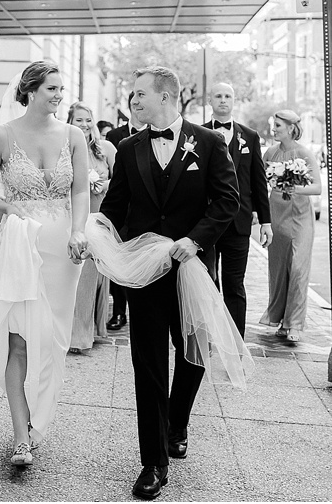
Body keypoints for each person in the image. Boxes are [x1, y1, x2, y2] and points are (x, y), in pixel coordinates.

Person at [98, 65, 239, 499]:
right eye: (131, 95)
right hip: (143, 275)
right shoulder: (127, 147)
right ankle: (153, 462)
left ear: (165, 97)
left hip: (190, 267)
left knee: (194, 352)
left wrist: (195, 241)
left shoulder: (210, 143)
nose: (133, 101)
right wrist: (94, 238)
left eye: (139, 94)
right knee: (149, 363)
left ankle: (178, 421)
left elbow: (227, 200)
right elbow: (115, 207)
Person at [0, 62, 90, 467]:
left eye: (60, 88)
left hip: (63, 252)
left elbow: (80, 192)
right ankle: (21, 437)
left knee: (53, 341)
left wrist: (78, 231)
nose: (58, 95)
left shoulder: (73, 136)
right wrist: (10, 206)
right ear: (30, 90)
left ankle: (40, 423)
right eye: (51, 88)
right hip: (19, 245)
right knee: (18, 338)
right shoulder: (2, 136)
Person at [202, 82, 272, 337]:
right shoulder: (196, 134)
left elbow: (258, 180)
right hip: (206, 221)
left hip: (239, 223)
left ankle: (235, 343)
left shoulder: (250, 136)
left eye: (228, 96)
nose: (223, 100)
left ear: (234, 101)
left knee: (235, 285)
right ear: (210, 101)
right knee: (207, 283)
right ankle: (207, 335)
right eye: (218, 96)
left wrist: (266, 221)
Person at [258, 110, 321, 344]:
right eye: (273, 125)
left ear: (291, 128)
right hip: (277, 215)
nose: (273, 130)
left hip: (301, 216)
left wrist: (294, 188)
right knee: (279, 270)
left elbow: (317, 188)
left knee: (297, 270)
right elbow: (259, 183)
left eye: (277, 126)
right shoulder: (270, 153)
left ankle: (295, 323)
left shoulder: (304, 153)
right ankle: (280, 320)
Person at [66, 102, 117, 353]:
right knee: (76, 280)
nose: (85, 125)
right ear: (70, 122)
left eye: (88, 120)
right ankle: (77, 335)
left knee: (94, 280)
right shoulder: (65, 146)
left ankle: (92, 330)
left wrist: (104, 185)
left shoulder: (105, 148)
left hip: (98, 219)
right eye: (79, 120)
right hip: (74, 219)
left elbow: (122, 182)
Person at [104, 91, 146, 332]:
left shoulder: (156, 133)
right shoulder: (114, 136)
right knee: (118, 261)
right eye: (133, 102)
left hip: (143, 212)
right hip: (121, 209)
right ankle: (119, 312)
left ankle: (140, 310)